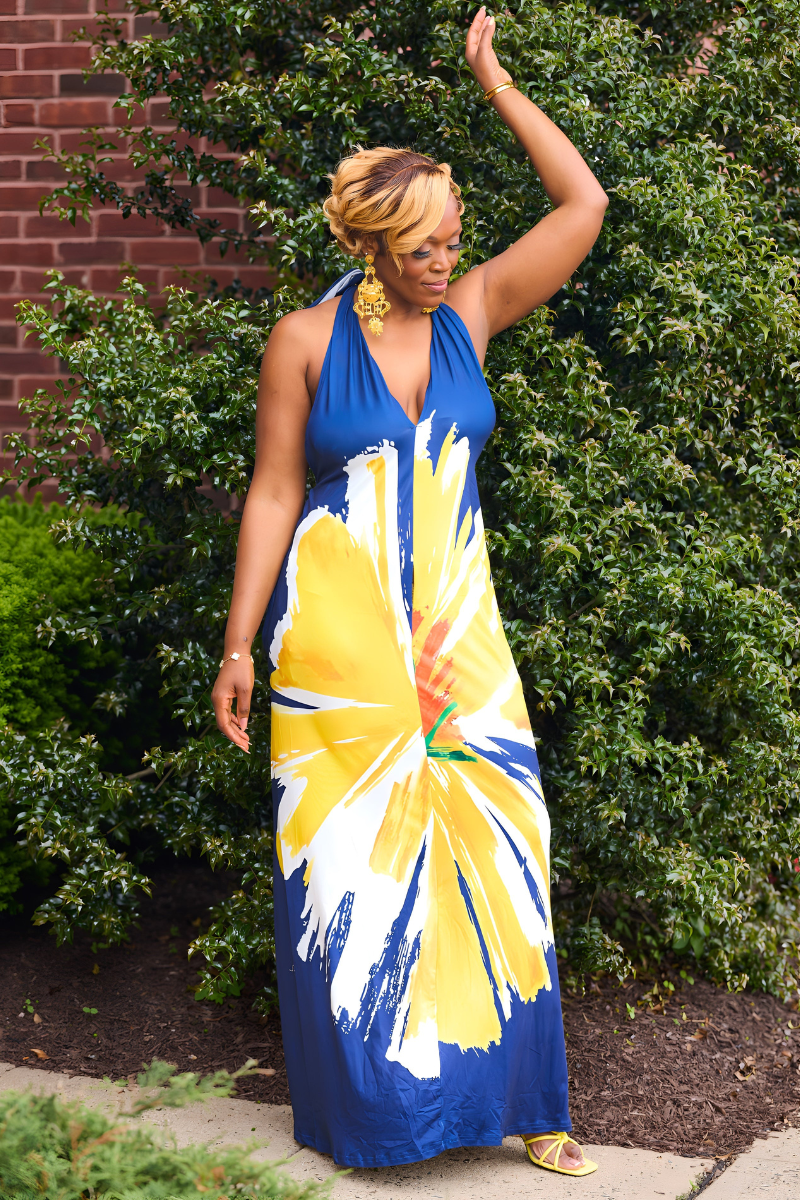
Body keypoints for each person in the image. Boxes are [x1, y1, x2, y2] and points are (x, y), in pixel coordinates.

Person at [212, 5, 607, 1178]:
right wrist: (238, 646)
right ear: (373, 247)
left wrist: (496, 84)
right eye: (424, 248)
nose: (445, 260)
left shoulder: (470, 315)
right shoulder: (302, 339)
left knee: (503, 849)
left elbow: (581, 206)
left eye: (452, 241)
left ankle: (529, 1105)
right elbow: (272, 493)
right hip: (339, 649)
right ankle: (379, 1123)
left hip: (457, 636)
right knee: (357, 874)